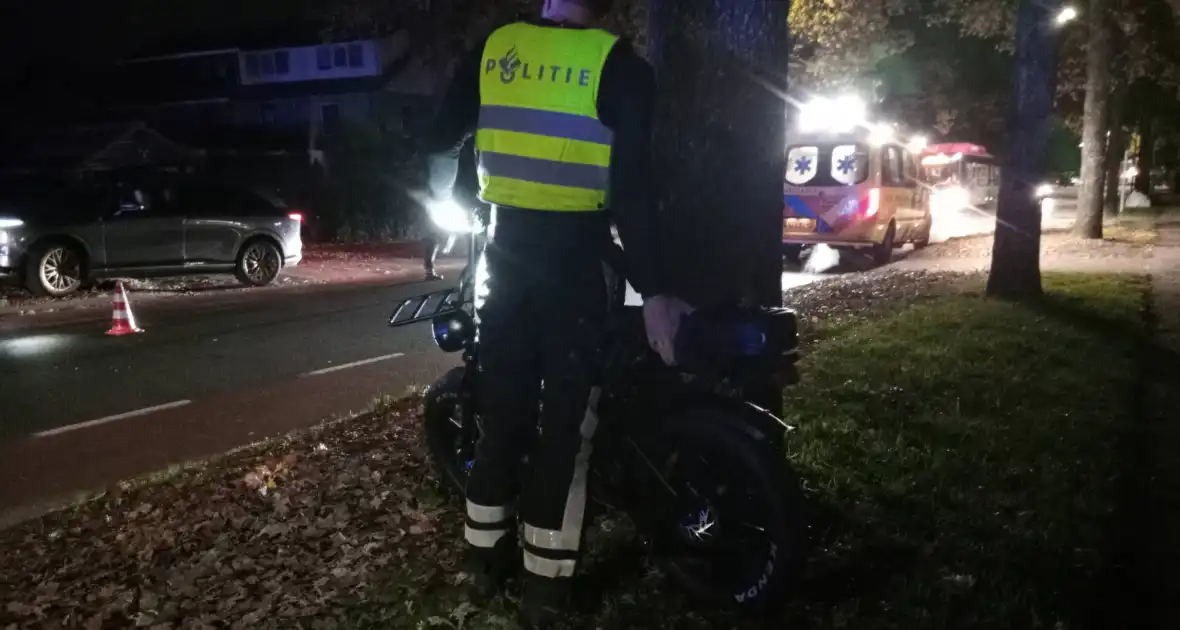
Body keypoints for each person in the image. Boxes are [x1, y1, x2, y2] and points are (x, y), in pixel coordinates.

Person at [423, 0, 691, 626]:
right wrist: (654, 291)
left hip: (505, 257)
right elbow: (631, 192)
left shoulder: (496, 49)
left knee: (502, 407)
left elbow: (440, 135)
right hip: (576, 266)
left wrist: (468, 182)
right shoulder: (619, 66)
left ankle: (485, 562)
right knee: (568, 425)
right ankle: (545, 590)